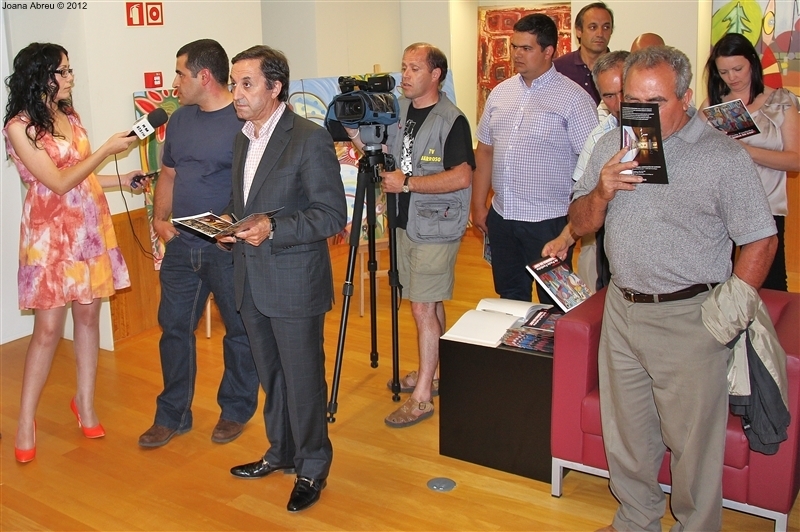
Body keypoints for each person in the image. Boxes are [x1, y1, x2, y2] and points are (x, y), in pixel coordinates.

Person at [569, 46, 777, 531]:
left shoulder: (722, 156)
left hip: (689, 318)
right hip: (622, 308)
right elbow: (579, 223)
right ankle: (636, 519)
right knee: (627, 435)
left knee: (693, 447)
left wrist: (726, 314)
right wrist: (601, 191)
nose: (640, 112)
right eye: (632, 101)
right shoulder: (614, 144)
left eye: (655, 102)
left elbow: (761, 238)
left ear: (685, 97)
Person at [3, 42, 144, 462]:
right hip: (49, 237)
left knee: (87, 317)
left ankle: (85, 403)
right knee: (47, 330)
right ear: (39, 76)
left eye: (69, 70)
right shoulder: (19, 126)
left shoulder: (70, 116)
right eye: (62, 71)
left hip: (88, 230)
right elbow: (58, 182)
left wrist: (122, 180)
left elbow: (82, 178)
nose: (70, 77)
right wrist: (105, 151)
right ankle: (25, 421)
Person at [220, 45, 346, 513]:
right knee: (272, 376)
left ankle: (313, 466)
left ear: (275, 87)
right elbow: (246, 203)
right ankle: (282, 452)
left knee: (303, 379)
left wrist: (273, 227)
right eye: (233, 84)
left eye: (246, 83)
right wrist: (227, 225)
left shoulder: (309, 138)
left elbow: (330, 214)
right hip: (250, 278)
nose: (236, 93)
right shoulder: (242, 138)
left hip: (294, 281)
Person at [138, 39, 260, 448]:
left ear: (204, 76)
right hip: (181, 245)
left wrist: (232, 228)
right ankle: (171, 415)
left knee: (239, 331)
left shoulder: (244, 119)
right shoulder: (180, 120)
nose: (175, 83)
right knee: (173, 329)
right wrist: (159, 219)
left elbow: (257, 185)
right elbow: (169, 174)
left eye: (180, 74)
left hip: (228, 249)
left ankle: (236, 410)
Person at [348, 43, 474, 428]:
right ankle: (434, 372)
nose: (405, 75)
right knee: (428, 301)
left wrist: (409, 184)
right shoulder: (399, 109)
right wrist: (353, 133)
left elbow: (462, 176)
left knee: (421, 306)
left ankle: (421, 398)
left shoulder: (451, 119)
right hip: (405, 222)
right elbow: (383, 152)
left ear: (436, 75)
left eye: (414, 68)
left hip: (436, 225)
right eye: (403, 67)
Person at [472, 13, 598, 304]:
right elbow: (485, 150)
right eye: (514, 47)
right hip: (503, 216)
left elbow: (591, 163)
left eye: (526, 48)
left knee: (553, 301)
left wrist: (575, 223)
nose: (517, 54)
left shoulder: (574, 99)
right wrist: (478, 205)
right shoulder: (500, 94)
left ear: (548, 51)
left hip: (548, 221)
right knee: (509, 296)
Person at [702, 32, 799, 292]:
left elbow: (795, 160)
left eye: (738, 69)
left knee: (768, 282)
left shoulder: (780, 102)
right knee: (718, 280)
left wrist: (746, 150)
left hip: (765, 205)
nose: (732, 77)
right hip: (720, 206)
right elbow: (693, 150)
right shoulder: (714, 104)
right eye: (723, 72)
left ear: (752, 64)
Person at [542, 50, 628, 291]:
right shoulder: (599, 138)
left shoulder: (670, 130)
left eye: (624, 91)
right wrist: (565, 238)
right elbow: (584, 200)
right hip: (612, 260)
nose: (620, 103)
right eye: (609, 95)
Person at [553, 2, 614, 105]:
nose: (600, 34)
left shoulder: (621, 68)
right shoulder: (558, 68)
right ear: (578, 31)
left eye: (606, 27)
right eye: (593, 27)